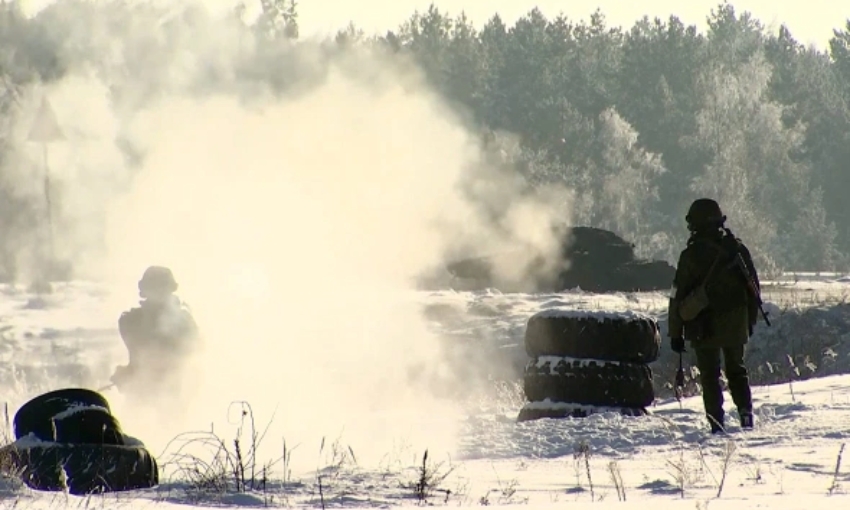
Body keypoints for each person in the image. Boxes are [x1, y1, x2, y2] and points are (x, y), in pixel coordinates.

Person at [668, 198, 762, 434]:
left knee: (710, 377)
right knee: (737, 370)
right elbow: (753, 289)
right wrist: (749, 321)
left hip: (704, 325)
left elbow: (677, 296)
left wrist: (675, 332)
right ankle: (746, 415)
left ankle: (717, 425)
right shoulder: (737, 250)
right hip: (735, 322)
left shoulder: (690, 255)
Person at [110, 266, 200, 397]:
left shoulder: (184, 322)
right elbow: (140, 353)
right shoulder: (131, 320)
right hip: (141, 392)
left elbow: (194, 352)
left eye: (162, 288)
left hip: (175, 392)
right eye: (155, 288)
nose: (158, 293)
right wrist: (126, 373)